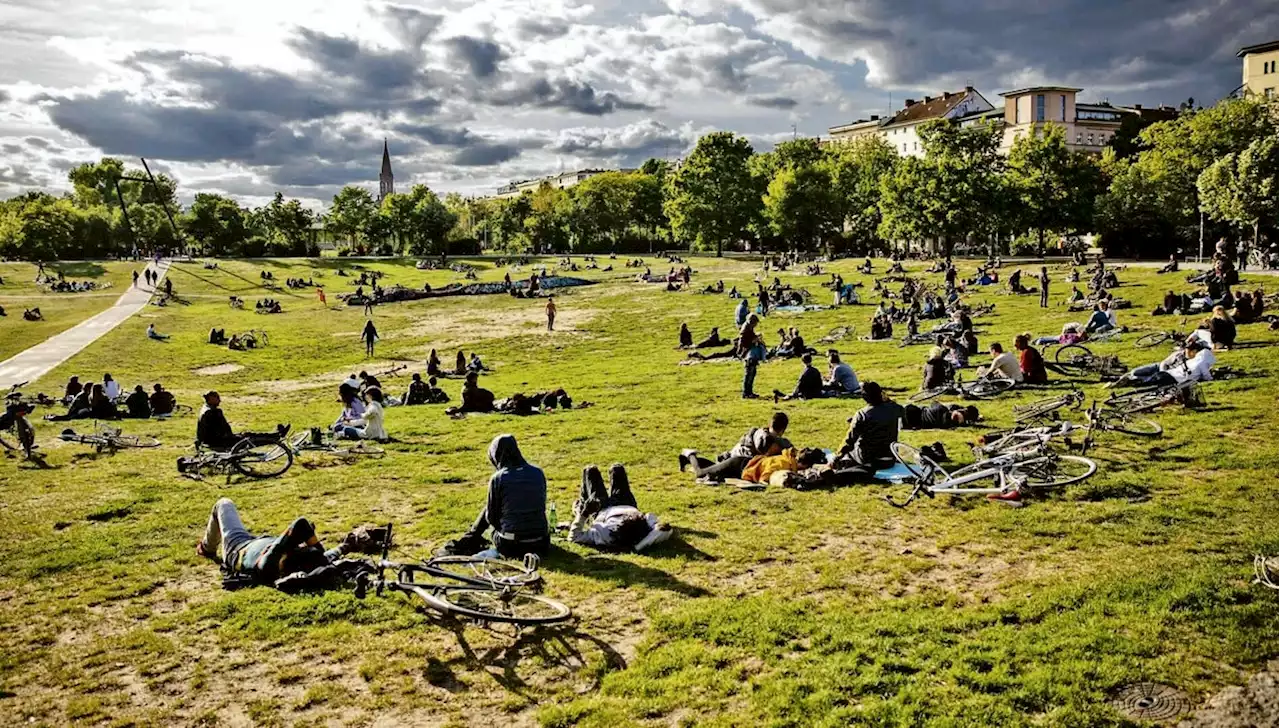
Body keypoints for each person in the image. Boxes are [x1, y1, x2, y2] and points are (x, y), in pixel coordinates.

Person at [196, 498, 378, 592]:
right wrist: (345, 547)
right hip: (258, 542)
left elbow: (301, 523)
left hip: (237, 546)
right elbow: (325, 560)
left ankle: (207, 548)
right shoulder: (297, 564)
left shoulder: (270, 562)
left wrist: (317, 548)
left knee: (224, 504)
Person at [439, 435, 549, 558]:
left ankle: (473, 536)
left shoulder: (499, 478)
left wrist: (502, 527)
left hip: (511, 545)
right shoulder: (537, 472)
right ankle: (474, 535)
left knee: (493, 515)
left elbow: (491, 516)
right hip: (541, 543)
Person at [568, 464, 673, 552]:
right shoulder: (645, 530)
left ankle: (579, 507)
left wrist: (583, 514)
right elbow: (664, 528)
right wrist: (638, 547)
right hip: (626, 504)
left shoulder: (605, 534)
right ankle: (579, 507)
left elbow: (574, 537)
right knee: (617, 469)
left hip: (602, 509)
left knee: (590, 471)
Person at [679, 412, 791, 483]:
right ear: (783, 430)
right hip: (736, 462)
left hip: (736, 461)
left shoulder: (763, 434)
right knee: (703, 473)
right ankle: (690, 455)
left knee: (713, 468)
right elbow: (764, 448)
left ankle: (687, 459)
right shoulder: (766, 438)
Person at [835, 382, 902, 468]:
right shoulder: (894, 408)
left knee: (851, 449)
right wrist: (888, 400)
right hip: (890, 459)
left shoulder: (861, 414)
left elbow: (849, 441)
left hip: (869, 459)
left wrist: (836, 458)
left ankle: (847, 461)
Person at [196, 391, 287, 450]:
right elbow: (223, 428)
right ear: (211, 399)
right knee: (250, 438)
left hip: (210, 440)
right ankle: (276, 437)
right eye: (217, 398)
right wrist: (234, 437)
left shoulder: (205, 408)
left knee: (247, 434)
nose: (220, 400)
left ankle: (275, 435)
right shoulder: (214, 411)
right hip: (219, 441)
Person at [739, 314, 765, 399]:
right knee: (749, 374)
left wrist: (756, 337)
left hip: (750, 353)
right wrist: (754, 340)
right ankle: (746, 393)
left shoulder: (749, 328)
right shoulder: (745, 329)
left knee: (752, 373)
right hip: (749, 354)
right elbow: (744, 343)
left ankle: (749, 392)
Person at [903, 402, 979, 430]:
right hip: (914, 422)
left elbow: (933, 403)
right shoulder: (946, 425)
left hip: (913, 413)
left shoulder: (941, 409)